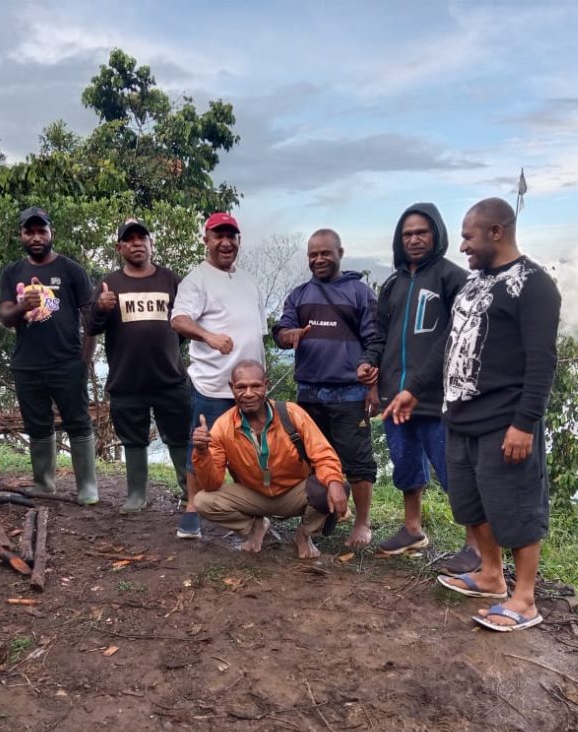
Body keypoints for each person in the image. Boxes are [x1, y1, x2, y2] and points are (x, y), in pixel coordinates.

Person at [384, 198, 561, 631]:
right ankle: (490, 575)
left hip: (505, 420)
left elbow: (542, 361)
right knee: (470, 503)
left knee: (515, 507)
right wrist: (413, 391)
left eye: (468, 236)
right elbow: (448, 344)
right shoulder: (475, 283)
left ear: (496, 232)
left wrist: (524, 424)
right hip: (459, 416)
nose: (462, 246)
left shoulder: (534, 285)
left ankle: (525, 598)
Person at [359, 203, 480, 573]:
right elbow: (381, 334)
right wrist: (371, 367)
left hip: (438, 397)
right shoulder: (393, 284)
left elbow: (454, 339)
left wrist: (419, 383)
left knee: (454, 469)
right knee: (406, 463)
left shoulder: (453, 278)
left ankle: (476, 547)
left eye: (421, 232)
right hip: (396, 396)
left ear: (436, 235)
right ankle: (412, 529)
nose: (413, 239)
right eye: (407, 233)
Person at [272, 229, 381, 548]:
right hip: (309, 394)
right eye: (312, 255)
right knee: (314, 461)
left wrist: (372, 382)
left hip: (349, 393)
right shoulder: (299, 294)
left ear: (340, 253)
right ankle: (324, 518)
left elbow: (375, 340)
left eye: (325, 253)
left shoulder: (360, 293)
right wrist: (287, 336)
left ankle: (361, 522)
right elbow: (281, 329)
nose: (318, 259)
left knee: (357, 461)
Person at [192, 359, 349, 559]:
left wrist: (334, 482)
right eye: (241, 387)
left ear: (266, 384)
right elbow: (211, 483)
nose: (248, 393)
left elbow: (323, 454)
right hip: (254, 494)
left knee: (334, 484)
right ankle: (256, 526)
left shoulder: (291, 413)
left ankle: (304, 535)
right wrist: (202, 452)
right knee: (203, 500)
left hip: (295, 492)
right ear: (232, 388)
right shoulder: (223, 427)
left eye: (255, 386)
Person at [170, 212, 266, 539]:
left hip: (250, 389)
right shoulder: (196, 279)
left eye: (231, 235)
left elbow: (257, 332)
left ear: (239, 240)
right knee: (201, 445)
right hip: (212, 384)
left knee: (248, 449)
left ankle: (246, 509)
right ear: (206, 240)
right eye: (218, 235)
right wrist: (209, 337)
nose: (225, 242)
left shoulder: (249, 280)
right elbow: (178, 320)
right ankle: (193, 507)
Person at [86, 217, 191, 512]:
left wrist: (165, 350)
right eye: (129, 240)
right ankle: (136, 494)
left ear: (151, 243)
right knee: (133, 440)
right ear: (120, 247)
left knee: (180, 436)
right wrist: (100, 308)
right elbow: (91, 328)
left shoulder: (171, 280)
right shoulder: (110, 283)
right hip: (127, 381)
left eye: (142, 238)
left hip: (169, 378)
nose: (137, 244)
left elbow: (184, 325)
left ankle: (189, 492)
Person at [0, 206, 98, 504]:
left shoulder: (71, 270)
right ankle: (44, 483)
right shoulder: (12, 273)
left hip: (67, 362)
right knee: (37, 425)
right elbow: (5, 317)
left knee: (78, 422)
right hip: (27, 364)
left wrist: (85, 359)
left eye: (42, 230)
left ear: (51, 232)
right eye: (30, 231)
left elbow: (90, 318)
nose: (37, 236)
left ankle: (87, 487)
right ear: (21, 235)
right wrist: (22, 307)